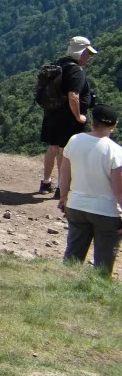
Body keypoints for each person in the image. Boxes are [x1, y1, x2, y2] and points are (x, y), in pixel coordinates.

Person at [58, 102, 122, 277]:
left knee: (72, 255)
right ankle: (97, 296)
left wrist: (64, 198)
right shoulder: (116, 152)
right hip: (106, 212)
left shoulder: (74, 140)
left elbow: (65, 174)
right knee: (103, 262)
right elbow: (119, 191)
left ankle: (64, 287)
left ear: (92, 121)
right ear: (113, 125)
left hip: (76, 205)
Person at [39, 37, 97, 195]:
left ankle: (45, 183)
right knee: (65, 151)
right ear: (80, 52)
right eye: (87, 52)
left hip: (52, 113)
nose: (88, 56)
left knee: (52, 147)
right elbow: (73, 95)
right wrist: (78, 116)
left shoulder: (58, 64)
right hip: (68, 118)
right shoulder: (76, 71)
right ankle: (61, 188)